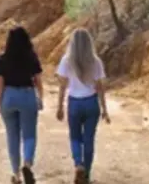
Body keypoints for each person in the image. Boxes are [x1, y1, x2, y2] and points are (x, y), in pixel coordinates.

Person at [55, 28, 110, 184]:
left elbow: (62, 86)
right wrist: (104, 109)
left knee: (75, 136)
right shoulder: (95, 61)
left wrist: (59, 107)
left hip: (74, 103)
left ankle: (78, 164)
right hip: (91, 102)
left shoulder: (66, 60)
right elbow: (100, 87)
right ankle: (86, 174)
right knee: (89, 139)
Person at [0, 26, 44, 184]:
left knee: (12, 136)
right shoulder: (31, 57)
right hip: (27, 95)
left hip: (8, 97)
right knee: (29, 135)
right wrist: (40, 98)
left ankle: (16, 175)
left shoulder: (2, 59)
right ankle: (27, 164)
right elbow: (38, 81)